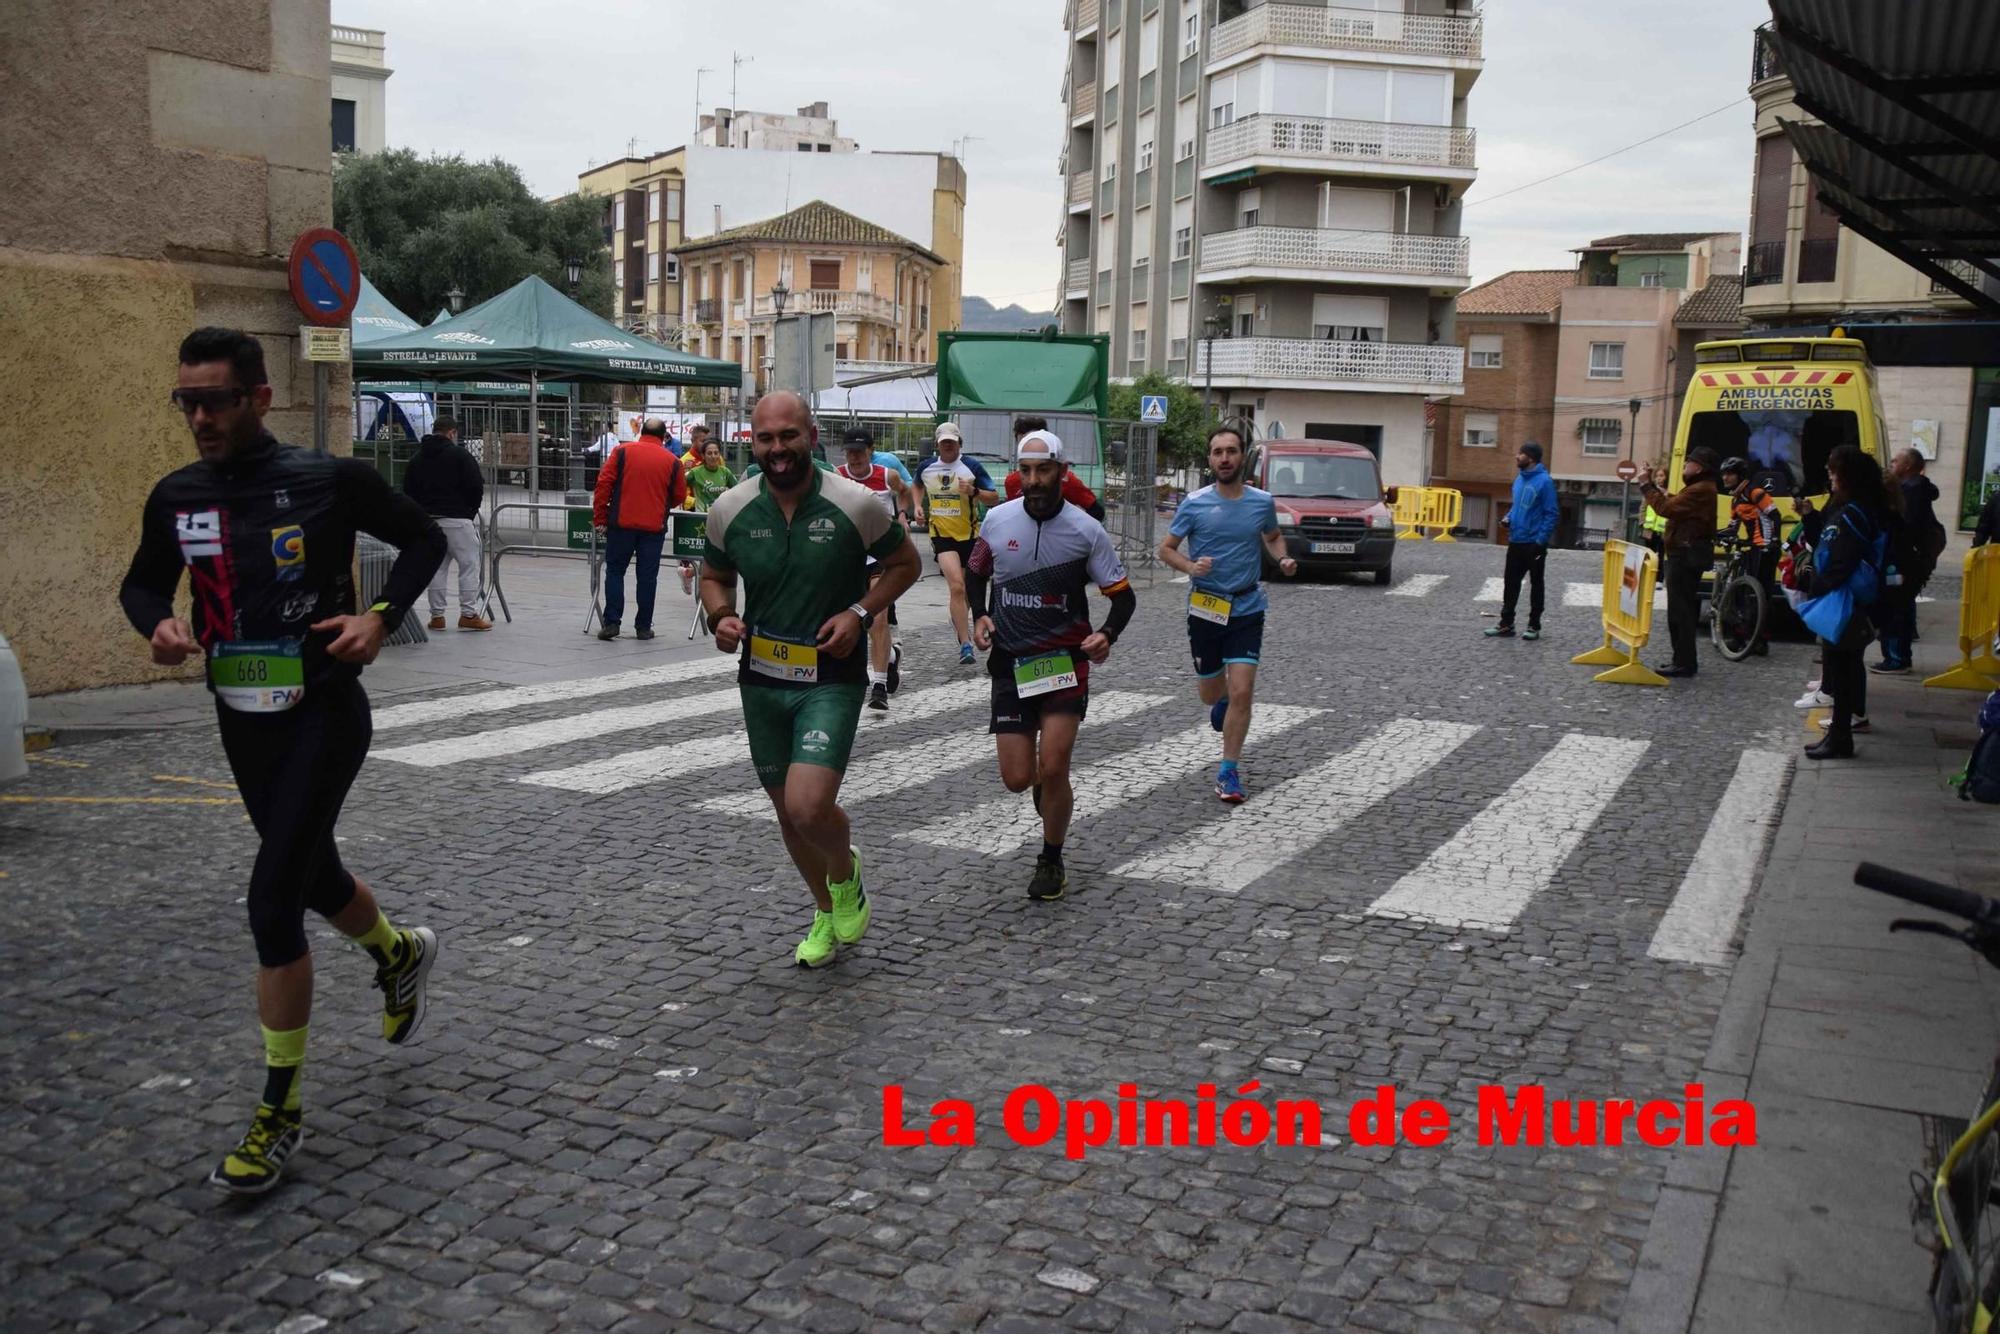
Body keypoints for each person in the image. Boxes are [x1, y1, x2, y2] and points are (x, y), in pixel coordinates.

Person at [119, 328, 447, 1195]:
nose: (198, 418)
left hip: (325, 711)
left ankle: (278, 1111)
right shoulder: (176, 494)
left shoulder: (328, 479)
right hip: (241, 715)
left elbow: (423, 541)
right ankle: (398, 952)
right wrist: (155, 622)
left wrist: (378, 617)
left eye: (214, 400)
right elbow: (143, 581)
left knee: (271, 902)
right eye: (184, 401)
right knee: (309, 874)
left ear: (259, 399)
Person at [700, 393, 920, 966]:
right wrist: (721, 616)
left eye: (789, 436)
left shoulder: (857, 504)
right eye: (766, 438)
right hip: (762, 680)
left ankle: (846, 876)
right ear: (753, 440)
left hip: (831, 677)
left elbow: (905, 566)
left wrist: (861, 614)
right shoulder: (730, 508)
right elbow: (714, 576)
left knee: (807, 805)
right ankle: (824, 910)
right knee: (787, 814)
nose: (778, 449)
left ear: (811, 435)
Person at [967, 431, 1137, 900]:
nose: (1034, 480)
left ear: (1063, 473)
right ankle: (1042, 780)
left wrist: (1106, 635)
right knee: (1018, 778)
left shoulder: (1086, 530)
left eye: (1043, 471)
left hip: (1065, 663)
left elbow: (1123, 598)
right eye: (1026, 471)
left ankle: (1051, 859)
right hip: (1011, 662)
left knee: (1057, 762)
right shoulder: (998, 520)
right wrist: (980, 614)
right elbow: (977, 571)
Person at [1157, 426, 1296, 802]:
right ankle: (1220, 703)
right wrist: (1189, 567)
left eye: (1231, 451)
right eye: (1217, 452)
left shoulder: (1261, 502)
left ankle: (1228, 771)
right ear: (1209, 460)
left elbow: (1271, 536)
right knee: (1210, 693)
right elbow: (1166, 549)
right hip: (1206, 605)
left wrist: (1281, 556)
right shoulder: (1195, 503)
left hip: (1248, 605)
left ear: (1242, 456)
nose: (1224, 458)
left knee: (1243, 691)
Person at [1803, 445, 1893, 759]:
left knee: (1842, 669)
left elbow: (1843, 558)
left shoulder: (1854, 511)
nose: (1829, 476)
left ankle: (1840, 738)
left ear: (1847, 475)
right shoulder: (1865, 507)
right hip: (1851, 598)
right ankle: (1838, 735)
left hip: (1845, 599)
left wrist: (1819, 586)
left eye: (1833, 471)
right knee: (1844, 666)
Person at [592, 418, 688, 641]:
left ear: (641, 431)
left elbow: (603, 485)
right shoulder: (673, 461)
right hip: (653, 528)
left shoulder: (621, 452)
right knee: (647, 577)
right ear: (664, 436)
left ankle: (612, 622)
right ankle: (643, 627)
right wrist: (661, 505)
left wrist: (600, 519)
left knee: (615, 571)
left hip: (621, 524)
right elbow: (679, 496)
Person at [838, 428, 913, 711]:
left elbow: (903, 492)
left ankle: (878, 685)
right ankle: (891, 655)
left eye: (860, 451)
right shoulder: (837, 476)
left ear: (870, 451)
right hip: (849, 558)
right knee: (854, 621)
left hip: (880, 557)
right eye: (850, 452)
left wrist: (902, 515)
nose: (855, 457)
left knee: (877, 618)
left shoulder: (886, 475)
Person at [913, 422, 999, 665]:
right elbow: (916, 483)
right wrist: (918, 506)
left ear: (959, 443)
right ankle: (965, 644)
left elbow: (994, 498)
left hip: (970, 536)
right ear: (938, 445)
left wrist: (974, 492)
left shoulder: (971, 466)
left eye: (952, 442)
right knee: (957, 588)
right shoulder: (927, 467)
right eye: (943, 443)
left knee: (968, 595)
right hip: (942, 535)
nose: (948, 446)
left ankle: (959, 619)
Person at [401, 415, 491, 632]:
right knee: (469, 566)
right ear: (452, 433)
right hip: (458, 519)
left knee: (437, 568)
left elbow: (407, 491)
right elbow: (475, 486)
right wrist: (469, 512)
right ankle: (468, 613)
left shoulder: (417, 458)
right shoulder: (460, 455)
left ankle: (437, 616)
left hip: (429, 522)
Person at [1639, 448, 1722, 677]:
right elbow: (1674, 502)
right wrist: (1656, 488)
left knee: (1681, 612)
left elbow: (1666, 509)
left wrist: (1646, 485)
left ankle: (1685, 663)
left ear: (1700, 467)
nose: (1685, 464)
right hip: (1684, 552)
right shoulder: (1699, 488)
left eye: (1690, 462)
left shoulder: (1701, 490)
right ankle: (1681, 659)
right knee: (1680, 610)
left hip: (1685, 555)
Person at [1875, 448, 1946, 673]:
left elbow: (1905, 528)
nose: (1891, 464)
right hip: (1908, 560)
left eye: (1895, 461)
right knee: (1901, 606)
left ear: (1907, 466)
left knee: (1896, 607)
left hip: (1903, 562)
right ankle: (1898, 655)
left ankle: (1897, 658)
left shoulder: (1912, 491)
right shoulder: (1914, 489)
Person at [1484, 441, 1557, 640]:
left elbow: (1551, 514)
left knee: (1536, 584)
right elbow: (1517, 507)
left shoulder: (1545, 482)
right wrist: (1509, 518)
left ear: (1531, 458)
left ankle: (1534, 625)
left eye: (1521, 453)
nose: (1517, 456)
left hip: (1534, 542)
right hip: (1516, 539)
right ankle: (1506, 624)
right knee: (1510, 583)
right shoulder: (1519, 479)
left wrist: (1540, 541)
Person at [1719, 455, 1780, 655]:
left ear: (1740, 475)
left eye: (1729, 474)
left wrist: (1774, 541)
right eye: (1724, 474)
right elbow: (1733, 527)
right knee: (1742, 593)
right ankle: (1739, 635)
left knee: (1761, 595)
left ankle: (1761, 640)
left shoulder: (1756, 492)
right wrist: (1715, 534)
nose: (1725, 478)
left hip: (1766, 549)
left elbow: (1775, 516)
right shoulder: (1736, 499)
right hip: (1753, 548)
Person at [1004, 415, 1105, 520]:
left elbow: (1096, 511)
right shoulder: (1012, 482)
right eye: (1022, 443)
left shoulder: (1065, 479)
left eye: (1033, 441)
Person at [678, 438, 737, 594]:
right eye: (709, 453)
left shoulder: (725, 472)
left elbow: (738, 490)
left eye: (716, 453)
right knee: (709, 556)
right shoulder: (696, 473)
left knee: (720, 556)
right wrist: (684, 501)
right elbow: (678, 484)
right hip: (701, 522)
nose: (713, 456)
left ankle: (688, 573)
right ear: (703, 456)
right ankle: (706, 588)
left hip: (721, 520)